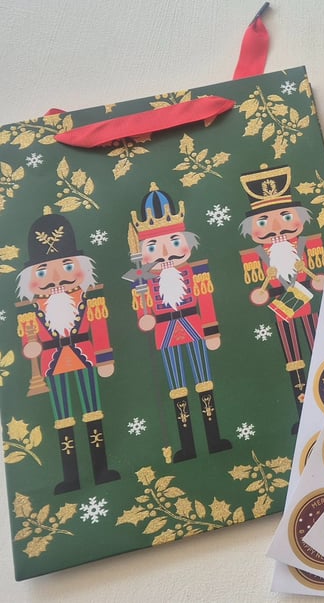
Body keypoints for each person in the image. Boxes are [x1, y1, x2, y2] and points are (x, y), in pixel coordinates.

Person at [126, 183, 231, 462]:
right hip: (165, 331)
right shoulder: (143, 280)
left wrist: (212, 330)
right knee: (177, 387)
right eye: (153, 247)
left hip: (194, 326)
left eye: (174, 242)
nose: (165, 253)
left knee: (204, 380)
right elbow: (144, 313)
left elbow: (205, 301)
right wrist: (144, 317)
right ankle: (187, 444)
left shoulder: (196, 272)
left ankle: (213, 437)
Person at [16, 212, 120, 494]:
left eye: (67, 266)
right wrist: (30, 347)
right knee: (62, 417)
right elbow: (29, 339)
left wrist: (105, 357)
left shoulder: (89, 298)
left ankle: (101, 468)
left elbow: (99, 328)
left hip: (85, 357)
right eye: (43, 272)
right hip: (52, 364)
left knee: (93, 410)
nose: (56, 279)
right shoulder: (32, 309)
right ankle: (70, 476)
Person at [238, 165, 324, 430]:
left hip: (308, 304)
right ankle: (304, 413)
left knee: (320, 351)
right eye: (263, 222)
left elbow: (321, 281)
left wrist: (314, 278)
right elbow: (258, 295)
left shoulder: (308, 245)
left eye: (286, 217)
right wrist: (263, 289)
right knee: (293, 358)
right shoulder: (255, 256)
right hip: (281, 308)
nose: (276, 228)